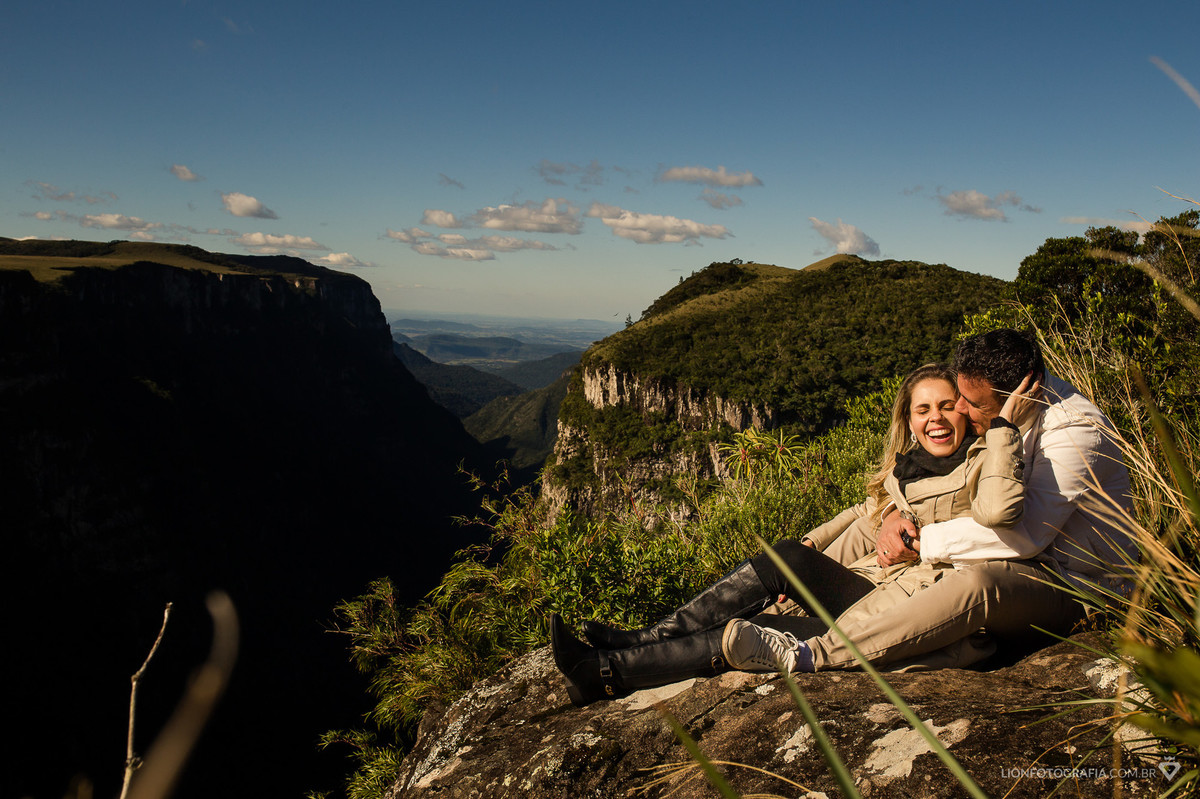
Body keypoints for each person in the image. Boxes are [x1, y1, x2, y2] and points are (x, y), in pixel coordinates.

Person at [551, 355, 1040, 706]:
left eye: (948, 405)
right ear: (909, 421)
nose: (937, 418)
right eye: (923, 409)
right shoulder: (908, 468)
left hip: (902, 610)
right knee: (786, 554)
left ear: (967, 410)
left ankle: (607, 672)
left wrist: (1001, 431)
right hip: (873, 585)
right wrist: (815, 542)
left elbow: (998, 510)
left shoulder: (983, 460)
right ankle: (635, 641)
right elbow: (861, 512)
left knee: (747, 634)